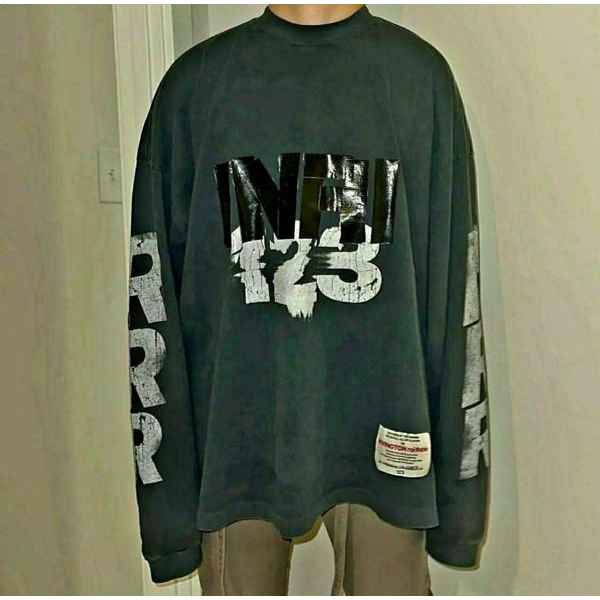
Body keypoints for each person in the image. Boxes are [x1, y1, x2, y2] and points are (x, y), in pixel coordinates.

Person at [127, 3, 490, 595]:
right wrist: (165, 511)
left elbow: (456, 297)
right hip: (234, 449)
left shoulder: (419, 81)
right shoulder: (194, 89)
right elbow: (152, 309)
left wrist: (461, 500)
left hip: (388, 436)